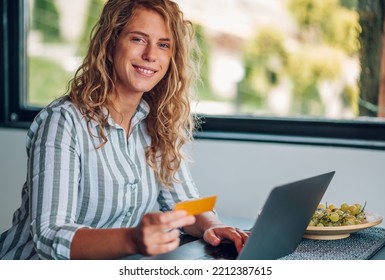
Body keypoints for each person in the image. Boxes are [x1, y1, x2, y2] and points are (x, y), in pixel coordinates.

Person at [0, 0, 248, 260]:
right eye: (139, 39)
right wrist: (132, 239)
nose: (151, 55)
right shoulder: (63, 121)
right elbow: (50, 236)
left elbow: (186, 204)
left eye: (163, 44)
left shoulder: (156, 123)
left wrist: (212, 225)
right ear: (110, 43)